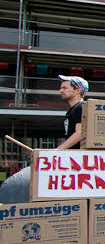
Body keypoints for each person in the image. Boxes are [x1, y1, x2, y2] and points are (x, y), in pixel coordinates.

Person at [0, 74, 89, 204]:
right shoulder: (72, 110)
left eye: (64, 87)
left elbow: (80, 132)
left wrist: (58, 150)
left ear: (78, 90)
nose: (60, 91)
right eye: (61, 88)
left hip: (76, 161)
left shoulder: (80, 107)